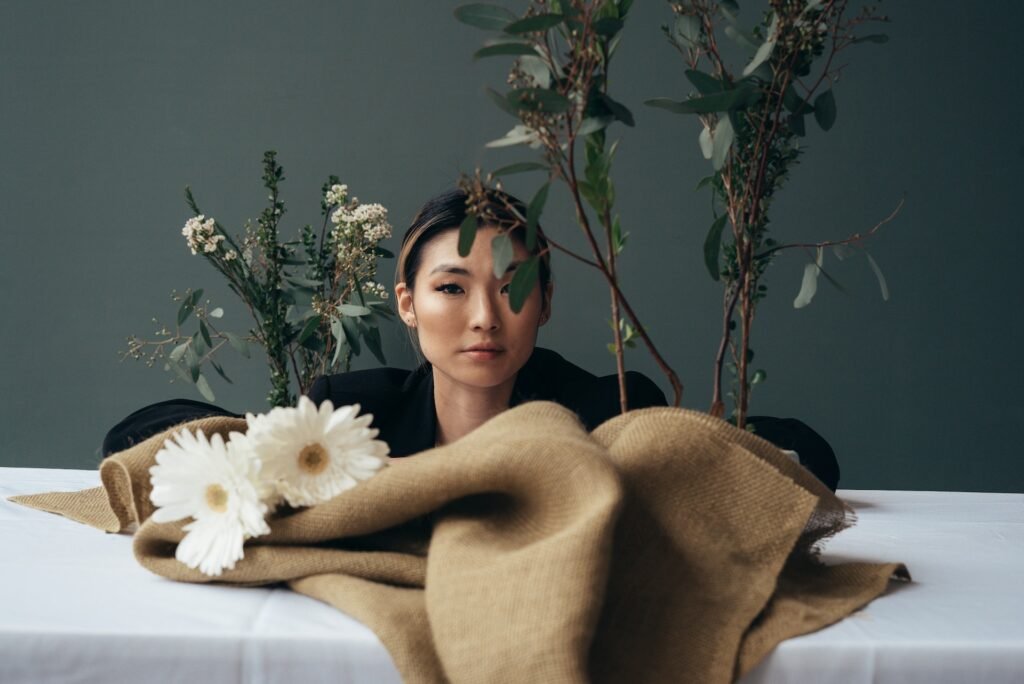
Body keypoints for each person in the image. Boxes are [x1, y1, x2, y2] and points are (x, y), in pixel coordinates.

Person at [103, 188, 839, 489]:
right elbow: (130, 439)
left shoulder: (606, 408)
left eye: (513, 288)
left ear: (544, 304)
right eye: (451, 288)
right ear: (407, 305)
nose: (485, 316)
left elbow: (809, 456)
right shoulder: (347, 412)